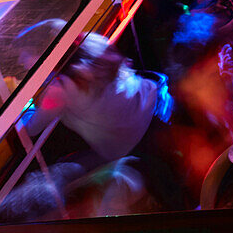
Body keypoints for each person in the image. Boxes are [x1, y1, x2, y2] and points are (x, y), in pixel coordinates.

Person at [14, 20, 185, 209]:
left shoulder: (59, 88)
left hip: (134, 143)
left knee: (61, 176)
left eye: (25, 52)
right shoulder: (93, 42)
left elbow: (31, 128)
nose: (21, 60)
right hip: (159, 108)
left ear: (44, 53)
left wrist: (23, 107)